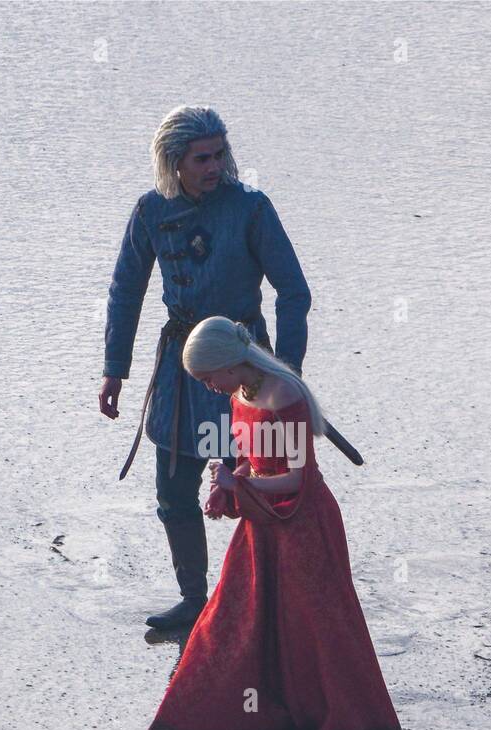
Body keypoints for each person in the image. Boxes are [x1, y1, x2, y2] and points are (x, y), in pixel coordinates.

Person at [137, 317, 411, 730]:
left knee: (316, 627)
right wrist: (229, 485)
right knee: (237, 619)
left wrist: (238, 484)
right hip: (262, 524)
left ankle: (345, 729)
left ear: (229, 363)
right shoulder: (238, 395)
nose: (207, 386)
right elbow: (251, 461)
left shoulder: (287, 398)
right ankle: (228, 724)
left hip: (304, 526)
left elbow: (297, 479)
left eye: (208, 377)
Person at [98, 105, 311, 631]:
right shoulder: (151, 212)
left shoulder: (252, 210)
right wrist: (114, 369)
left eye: (220, 154)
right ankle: (195, 602)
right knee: (174, 489)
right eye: (202, 158)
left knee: (263, 487)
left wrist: (287, 370)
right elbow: (126, 291)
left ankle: (267, 608)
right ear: (175, 162)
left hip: (246, 369)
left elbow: (294, 291)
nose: (215, 166)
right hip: (182, 369)